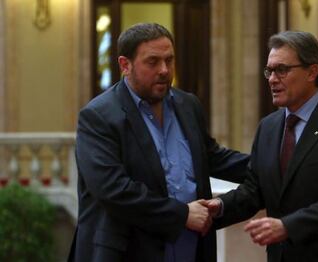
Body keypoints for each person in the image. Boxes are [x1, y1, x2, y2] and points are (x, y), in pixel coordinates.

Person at [67, 23, 249, 262]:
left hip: (191, 246)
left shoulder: (188, 105)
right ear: (125, 65)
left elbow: (212, 157)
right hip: (128, 252)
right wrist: (181, 214)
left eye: (169, 60)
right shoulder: (98, 117)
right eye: (153, 62)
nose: (164, 70)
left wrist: (274, 163)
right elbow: (113, 189)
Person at [208, 31, 318, 261]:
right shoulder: (268, 127)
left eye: (281, 70)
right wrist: (219, 207)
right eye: (269, 71)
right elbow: (254, 190)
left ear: (312, 71)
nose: (272, 79)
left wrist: (288, 226)